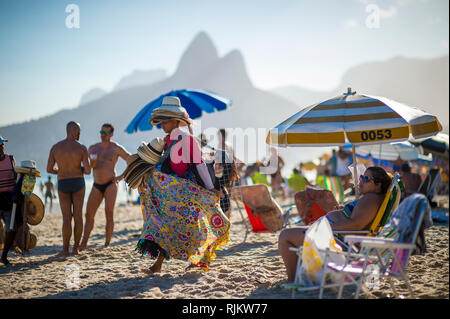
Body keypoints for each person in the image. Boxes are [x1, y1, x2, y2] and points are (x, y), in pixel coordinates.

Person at [137, 96, 230, 274]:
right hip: (172, 191)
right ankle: (158, 265)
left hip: (187, 189)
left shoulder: (187, 139)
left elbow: (199, 164)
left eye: (164, 121)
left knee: (194, 225)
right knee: (169, 224)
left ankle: (199, 260)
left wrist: (210, 188)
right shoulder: (167, 140)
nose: (161, 124)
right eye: (161, 121)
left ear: (174, 121)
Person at [278, 166, 392, 282]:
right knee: (292, 234)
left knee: (285, 236)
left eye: (366, 178)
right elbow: (357, 219)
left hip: (339, 243)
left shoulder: (371, 199)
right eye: (362, 177)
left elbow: (356, 225)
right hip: (337, 238)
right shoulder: (371, 198)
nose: (361, 180)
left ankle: (292, 279)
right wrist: (344, 210)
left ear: (378, 185)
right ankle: (304, 276)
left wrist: (324, 228)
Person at [79, 123, 130, 250]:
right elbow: (86, 168)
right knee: (88, 214)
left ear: (111, 134)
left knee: (109, 212)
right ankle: (83, 243)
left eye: (106, 133)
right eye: (101, 132)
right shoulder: (93, 148)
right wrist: (91, 164)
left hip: (110, 184)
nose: (103, 135)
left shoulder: (116, 148)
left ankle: (107, 244)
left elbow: (131, 160)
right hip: (96, 184)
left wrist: (120, 177)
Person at [46, 121, 91, 257]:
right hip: (78, 182)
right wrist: (79, 169)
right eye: (79, 131)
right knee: (78, 216)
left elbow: (49, 169)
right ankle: (75, 249)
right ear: (75, 130)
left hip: (63, 182)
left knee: (66, 218)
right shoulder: (81, 148)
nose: (80, 134)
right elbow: (88, 171)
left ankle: (65, 250)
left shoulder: (55, 148)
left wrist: (61, 171)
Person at [0, 135, 21, 266]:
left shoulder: (10, 159)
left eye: (2, 145)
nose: (1, 147)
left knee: (11, 228)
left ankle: (4, 255)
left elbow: (17, 177)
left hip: (9, 199)